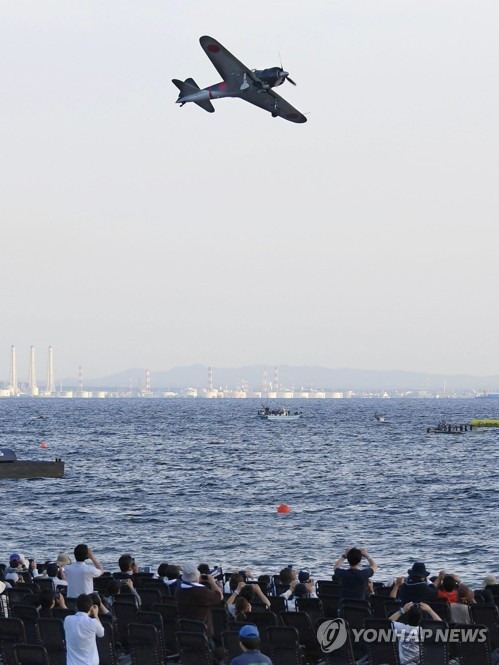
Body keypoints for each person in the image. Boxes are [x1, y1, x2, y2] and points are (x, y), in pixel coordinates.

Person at [175, 562, 223, 638]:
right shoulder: (202, 592)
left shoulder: (179, 589)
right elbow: (219, 597)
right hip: (202, 633)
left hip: (184, 630)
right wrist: (213, 583)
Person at [64, 594, 105, 665]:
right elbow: (101, 633)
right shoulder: (93, 622)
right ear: (91, 608)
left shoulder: (67, 620)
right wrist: (96, 616)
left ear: (76, 607)